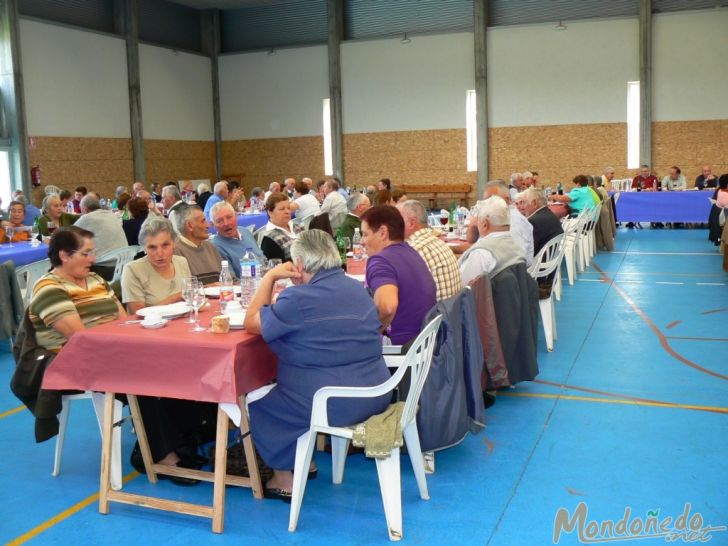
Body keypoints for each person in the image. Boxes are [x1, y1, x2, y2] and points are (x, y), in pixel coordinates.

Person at [243, 230, 391, 500]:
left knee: (262, 404)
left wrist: (270, 276)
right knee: (298, 385)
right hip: (377, 391)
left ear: (298, 265)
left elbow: (251, 322)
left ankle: (285, 478)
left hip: (336, 402)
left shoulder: (297, 300)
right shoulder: (357, 288)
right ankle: (305, 460)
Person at [29, 226, 125, 354]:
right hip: (73, 362)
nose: (93, 259)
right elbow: (81, 339)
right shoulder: (48, 288)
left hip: (112, 350)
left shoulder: (95, 279)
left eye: (92, 253)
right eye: (85, 253)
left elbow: (124, 322)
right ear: (64, 256)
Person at [360, 205, 436, 345]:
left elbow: (387, 307)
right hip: (423, 347)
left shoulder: (380, 261)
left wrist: (367, 335)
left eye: (365, 234)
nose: (361, 241)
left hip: (400, 353)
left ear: (383, 232)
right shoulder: (411, 252)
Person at [121, 216, 191, 314]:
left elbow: (191, 300)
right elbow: (137, 314)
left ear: (174, 243)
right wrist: (174, 298)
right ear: (144, 248)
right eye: (152, 247)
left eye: (165, 245)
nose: (160, 253)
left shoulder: (181, 262)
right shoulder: (132, 270)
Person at [397, 199, 462, 301]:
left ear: (411, 223)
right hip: (451, 312)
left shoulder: (414, 251)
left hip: (433, 314)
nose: (393, 225)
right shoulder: (438, 242)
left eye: (397, 220)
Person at [459, 197, 526, 285]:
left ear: (485, 224)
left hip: (487, 298)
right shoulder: (518, 246)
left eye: (478, 220)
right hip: (518, 297)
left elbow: (461, 286)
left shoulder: (481, 253)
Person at [74, 194, 128, 280]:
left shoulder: (86, 218)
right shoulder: (111, 214)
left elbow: (69, 235)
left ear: (85, 209)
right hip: (124, 265)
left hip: (105, 268)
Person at [210, 202, 263, 278]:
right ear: (213, 225)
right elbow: (231, 280)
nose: (226, 223)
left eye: (229, 217)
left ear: (236, 216)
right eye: (219, 221)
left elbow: (262, 259)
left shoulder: (245, 232)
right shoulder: (216, 247)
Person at [172, 205, 222, 285]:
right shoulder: (175, 251)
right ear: (190, 226)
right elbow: (183, 289)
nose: (208, 225)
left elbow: (227, 278)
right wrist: (209, 287)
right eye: (203, 221)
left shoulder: (211, 247)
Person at [260, 193, 296, 262]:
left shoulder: (297, 226)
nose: (287, 212)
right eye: (282, 209)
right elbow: (278, 267)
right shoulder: (269, 239)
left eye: (288, 208)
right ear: (270, 212)